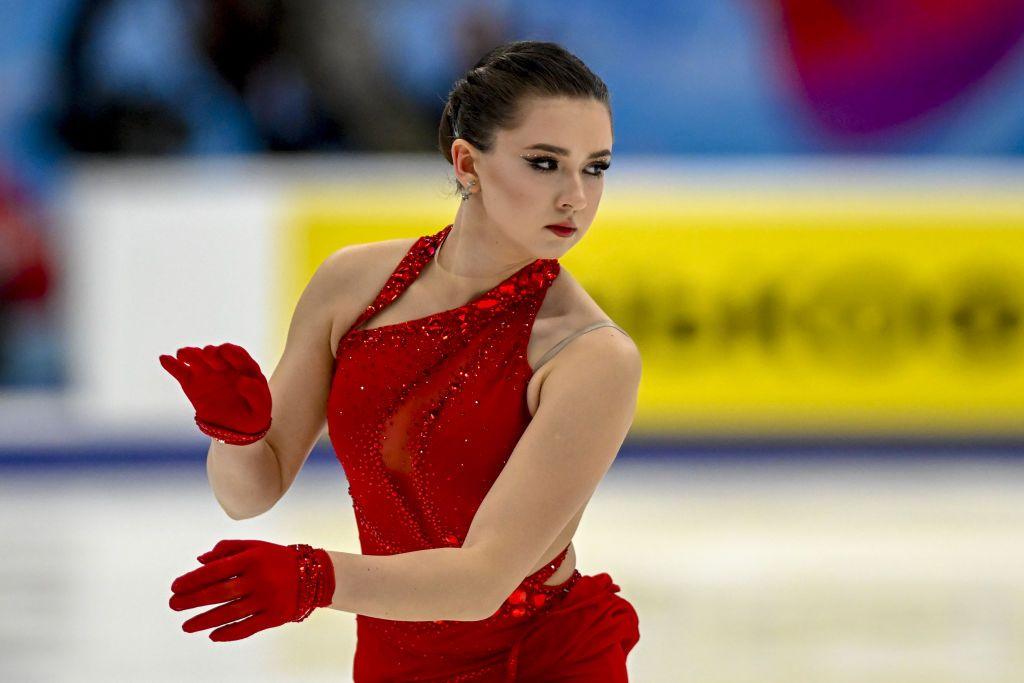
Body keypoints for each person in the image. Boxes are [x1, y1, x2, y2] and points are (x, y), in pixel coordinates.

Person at [162, 40, 641, 681]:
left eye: (596, 167)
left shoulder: (589, 355)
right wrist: (238, 436)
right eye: (545, 163)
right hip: (391, 658)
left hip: (532, 661)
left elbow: (482, 580)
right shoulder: (350, 285)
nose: (576, 197)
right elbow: (249, 494)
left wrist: (311, 577)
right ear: (468, 163)